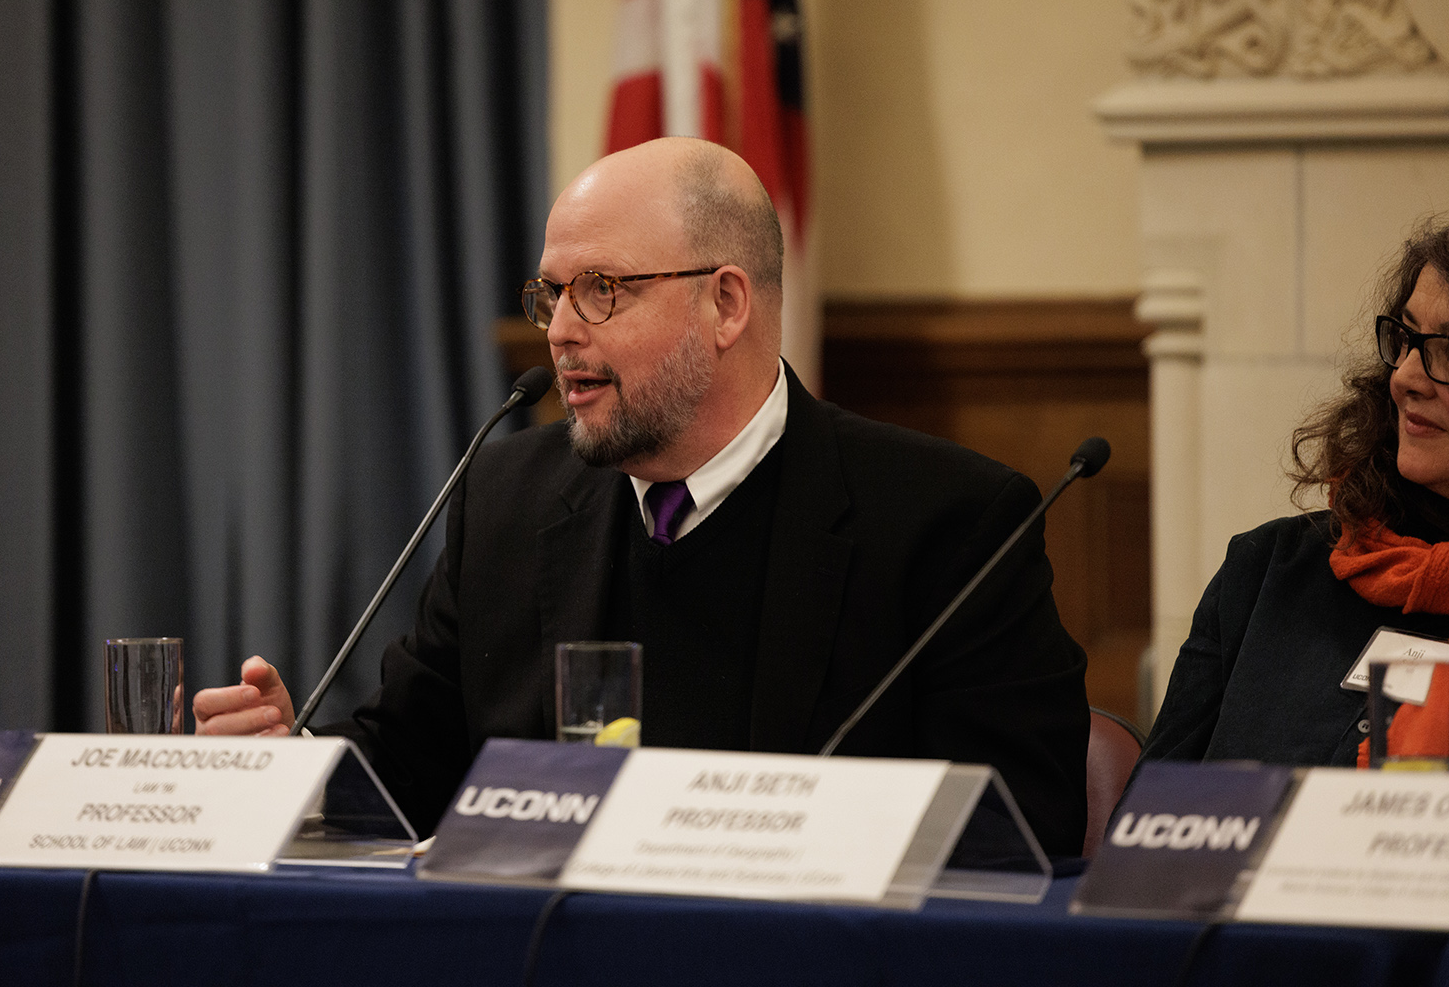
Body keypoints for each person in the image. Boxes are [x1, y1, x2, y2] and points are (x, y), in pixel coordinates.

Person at [193, 137, 1090, 856]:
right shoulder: (507, 497)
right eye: (551, 295)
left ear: (726, 304)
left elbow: (1023, 823)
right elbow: (410, 765)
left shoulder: (948, 523)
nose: (561, 332)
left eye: (601, 290)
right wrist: (291, 767)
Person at [1141, 218, 1449, 769]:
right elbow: (1144, 830)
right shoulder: (1266, 572)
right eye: (1405, 339)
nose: (1406, 376)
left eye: (1448, 353)